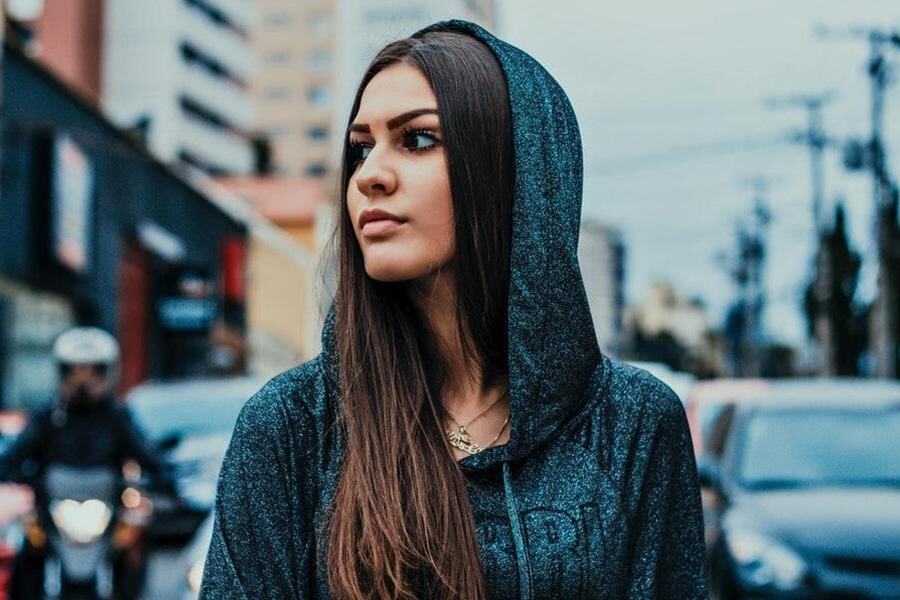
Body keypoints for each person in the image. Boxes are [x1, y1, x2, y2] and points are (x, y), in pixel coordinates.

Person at [199, 19, 707, 600]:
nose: (369, 176)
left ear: (514, 173)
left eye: (416, 139)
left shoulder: (633, 425)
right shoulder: (292, 427)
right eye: (360, 148)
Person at [0, 326, 180, 498]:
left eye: (92, 372)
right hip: (51, 510)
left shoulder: (116, 416)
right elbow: (15, 457)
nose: (82, 382)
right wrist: (21, 479)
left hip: (107, 509)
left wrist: (162, 477)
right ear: (62, 373)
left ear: (108, 373)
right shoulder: (48, 415)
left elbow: (146, 455)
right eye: (74, 371)